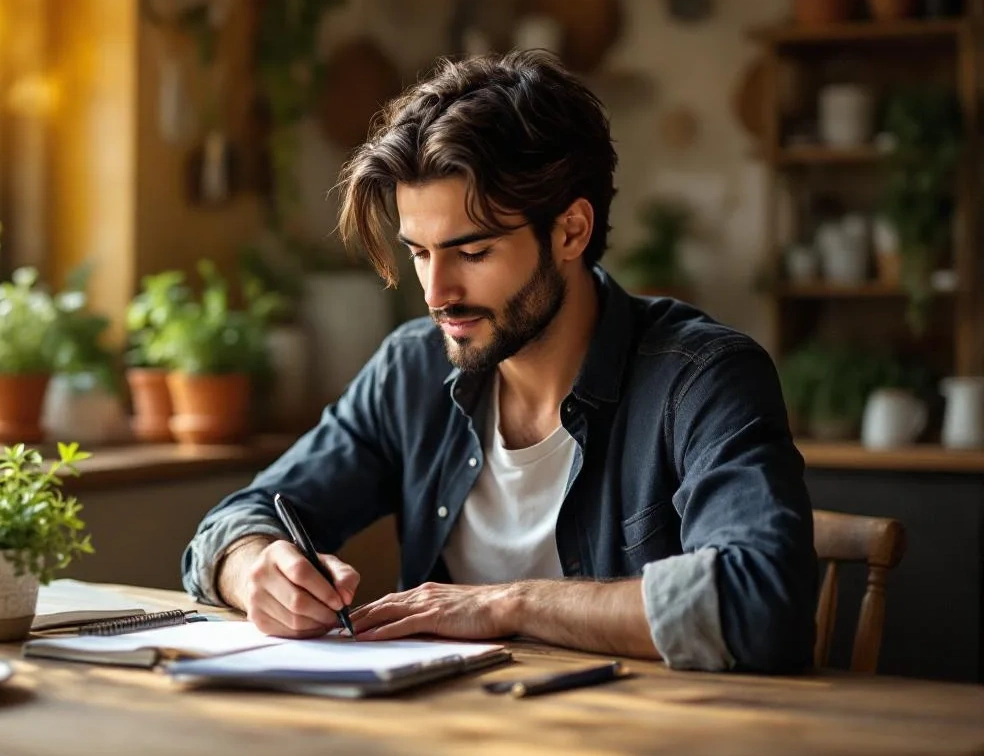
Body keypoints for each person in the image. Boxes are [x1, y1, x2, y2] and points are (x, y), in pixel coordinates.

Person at [181, 51, 816, 673]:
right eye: (420, 254)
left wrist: (508, 603)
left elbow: (762, 602)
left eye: (474, 252)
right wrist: (253, 566)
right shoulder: (412, 371)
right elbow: (235, 521)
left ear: (570, 231)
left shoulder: (702, 378)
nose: (436, 294)